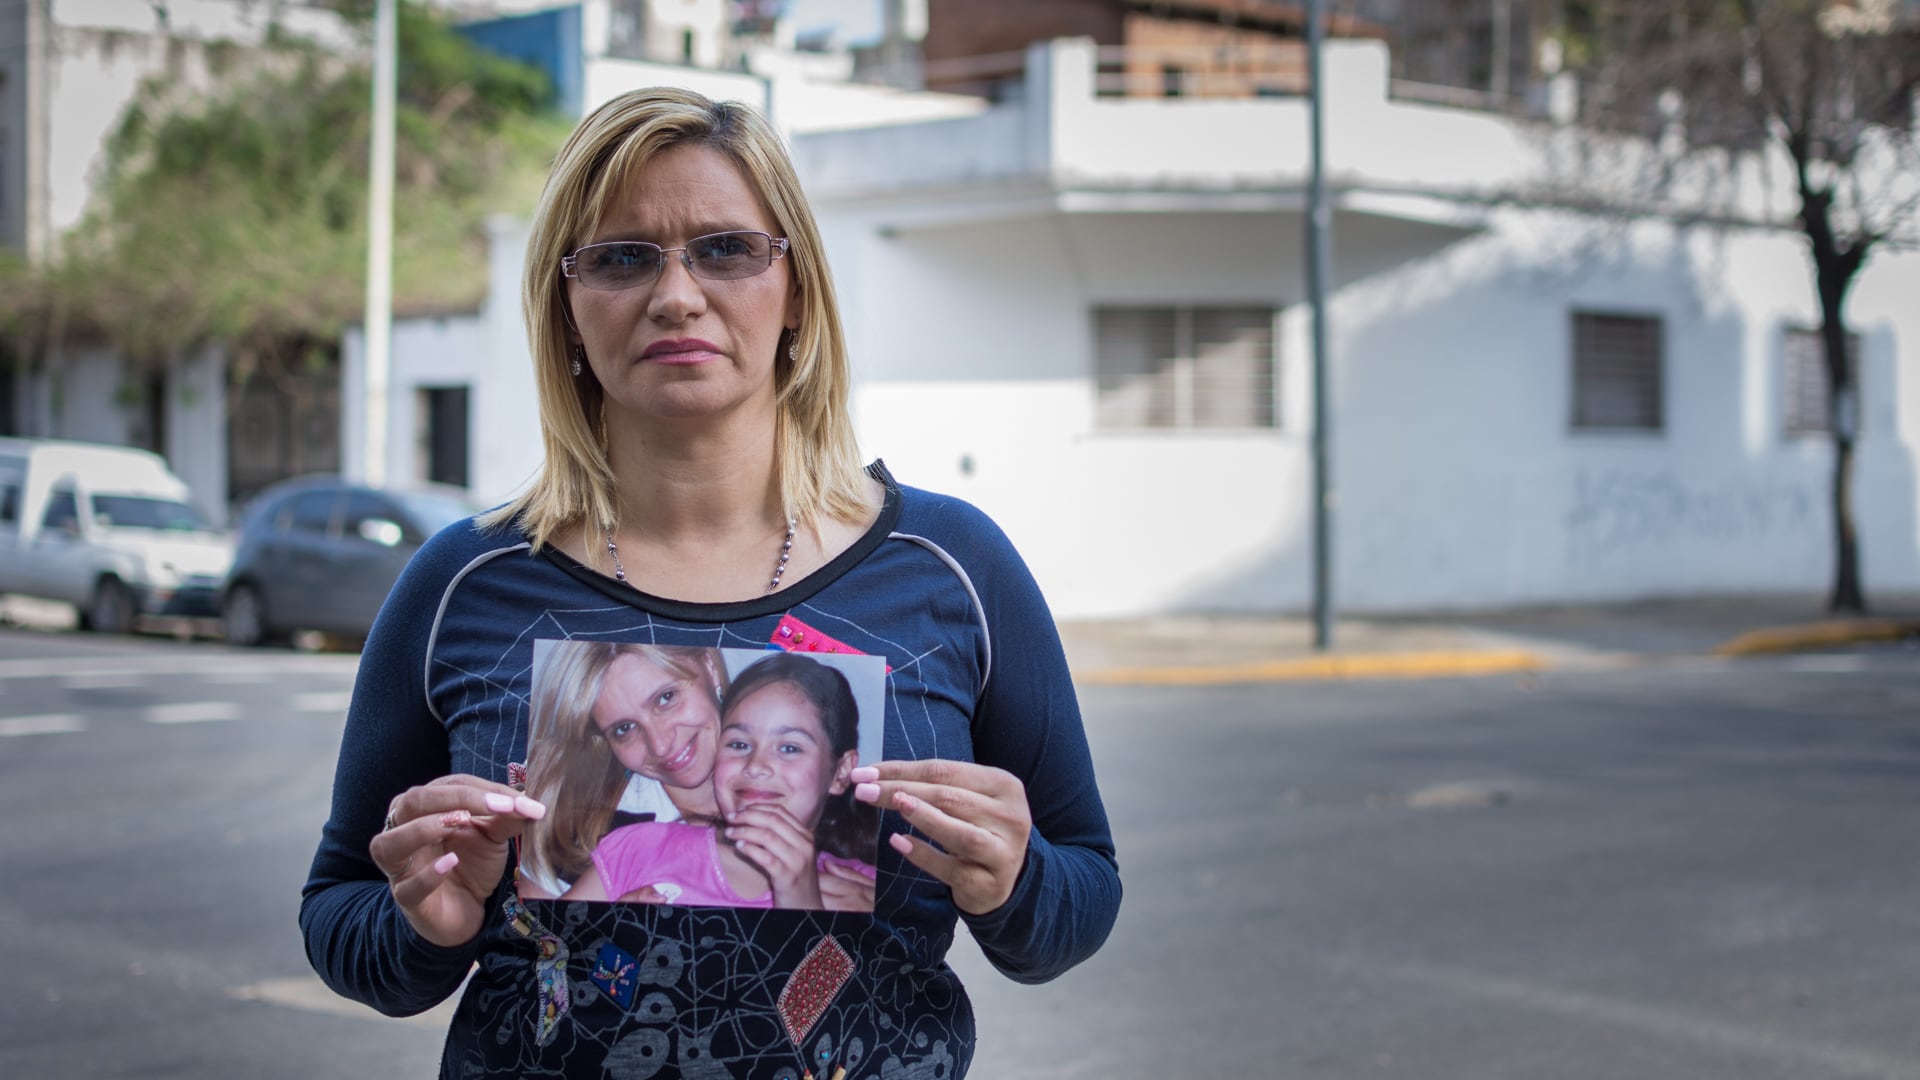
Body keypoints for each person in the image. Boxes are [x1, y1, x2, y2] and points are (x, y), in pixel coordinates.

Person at [300, 85, 1120, 1079]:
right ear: (566, 306)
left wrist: (1017, 881)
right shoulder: (463, 584)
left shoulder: (954, 567)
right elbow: (341, 915)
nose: (677, 295)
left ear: (798, 293)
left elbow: (1079, 901)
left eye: (726, 249)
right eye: (621, 256)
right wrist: (425, 921)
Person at [563, 652, 879, 909]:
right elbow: (543, 952)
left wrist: (805, 907)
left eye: (789, 748)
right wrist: (605, 929)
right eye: (739, 744)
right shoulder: (635, 848)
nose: (756, 766)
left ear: (840, 772)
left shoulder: (862, 890)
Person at [516, 642, 729, 898]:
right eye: (624, 728)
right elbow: (531, 933)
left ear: (710, 664)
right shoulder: (575, 839)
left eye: (666, 698)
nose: (660, 746)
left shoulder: (788, 780)